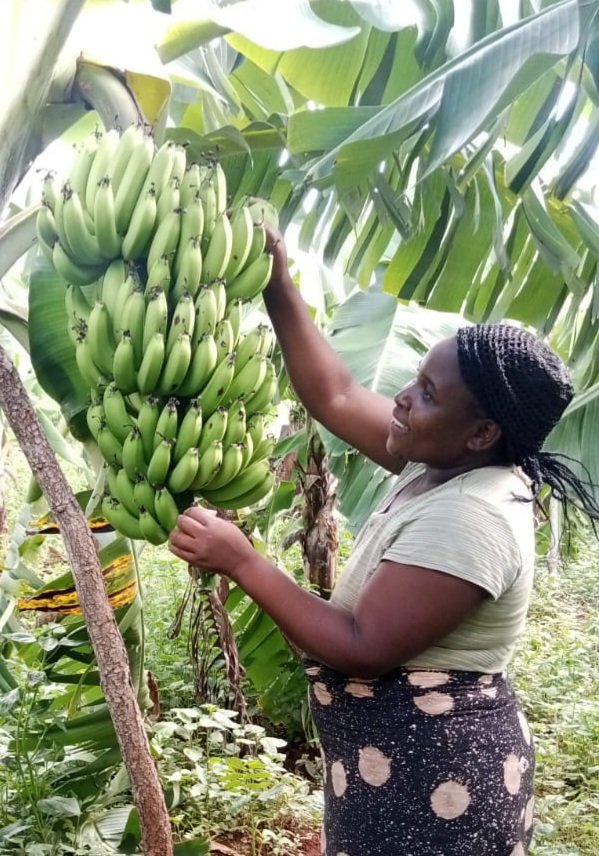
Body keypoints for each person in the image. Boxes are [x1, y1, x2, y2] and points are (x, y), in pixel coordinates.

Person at [169, 230, 599, 856]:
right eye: (416, 377)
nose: (402, 396)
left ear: (481, 433)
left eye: (427, 393)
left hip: (440, 789)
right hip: (386, 772)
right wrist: (277, 282)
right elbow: (335, 395)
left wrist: (242, 560)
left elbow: (362, 648)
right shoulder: (443, 460)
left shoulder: (472, 515)